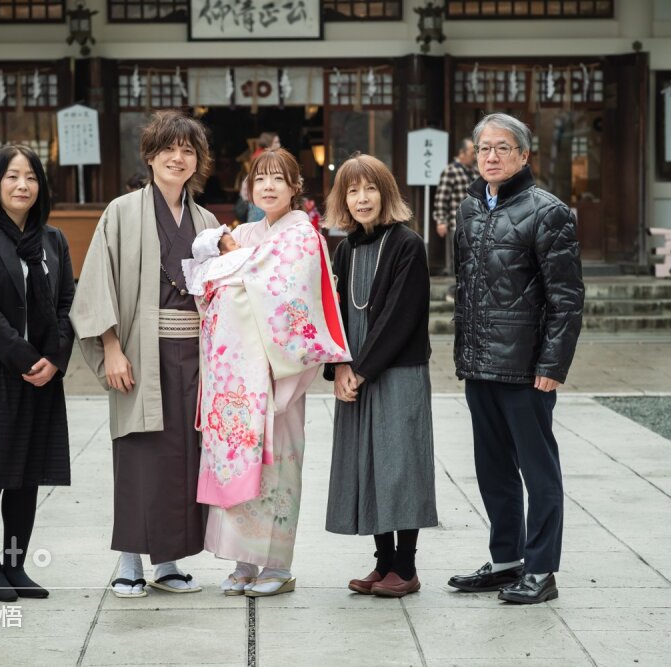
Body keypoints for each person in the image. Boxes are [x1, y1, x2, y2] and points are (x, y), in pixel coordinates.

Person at [70, 110, 220, 598]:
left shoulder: (207, 221)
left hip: (195, 354)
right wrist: (110, 347)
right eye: (168, 149)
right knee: (139, 452)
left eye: (188, 150)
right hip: (139, 348)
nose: (178, 158)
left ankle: (170, 561)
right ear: (151, 156)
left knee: (182, 456)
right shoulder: (122, 211)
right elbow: (98, 280)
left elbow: (222, 293)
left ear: (197, 161)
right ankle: (129, 560)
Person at [198, 148, 350, 597]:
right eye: (259, 178)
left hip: (276, 369)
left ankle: (278, 567)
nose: (267, 186)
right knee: (239, 457)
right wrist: (232, 270)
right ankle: (244, 563)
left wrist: (233, 269)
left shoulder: (303, 236)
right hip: (237, 376)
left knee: (278, 465)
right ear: (249, 187)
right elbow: (207, 284)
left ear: (294, 187)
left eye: (278, 179)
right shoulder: (241, 233)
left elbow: (286, 295)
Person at [447, 113, 583, 604]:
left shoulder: (549, 212)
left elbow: (566, 299)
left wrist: (552, 366)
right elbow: (465, 288)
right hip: (479, 364)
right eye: (484, 148)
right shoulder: (468, 209)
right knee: (493, 469)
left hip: (526, 370)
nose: (492, 156)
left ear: (524, 155)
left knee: (538, 471)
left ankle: (541, 569)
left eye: (503, 148)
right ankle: (507, 561)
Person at [0, 144, 75, 602]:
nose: (22, 185)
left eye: (31, 177)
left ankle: (16, 566)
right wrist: (26, 358)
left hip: (43, 373)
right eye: (12, 176)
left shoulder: (53, 240)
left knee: (26, 477)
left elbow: (66, 304)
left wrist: (54, 360)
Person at [322, 154, 438, 598]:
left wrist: (362, 370)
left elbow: (399, 317)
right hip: (355, 373)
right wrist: (339, 368)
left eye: (370, 189)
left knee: (399, 463)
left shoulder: (407, 244)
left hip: (396, 371)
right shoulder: (345, 248)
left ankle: (405, 567)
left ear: (386, 193)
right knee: (366, 462)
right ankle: (382, 562)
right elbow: (332, 315)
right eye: (352, 190)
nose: (362, 198)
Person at [433, 137, 476, 298]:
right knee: (455, 259)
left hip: (475, 223)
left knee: (471, 258)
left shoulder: (476, 171)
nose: (474, 156)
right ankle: (454, 291)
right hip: (455, 223)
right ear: (462, 153)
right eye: (472, 152)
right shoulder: (450, 170)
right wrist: (440, 221)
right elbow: (441, 198)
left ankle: (467, 291)